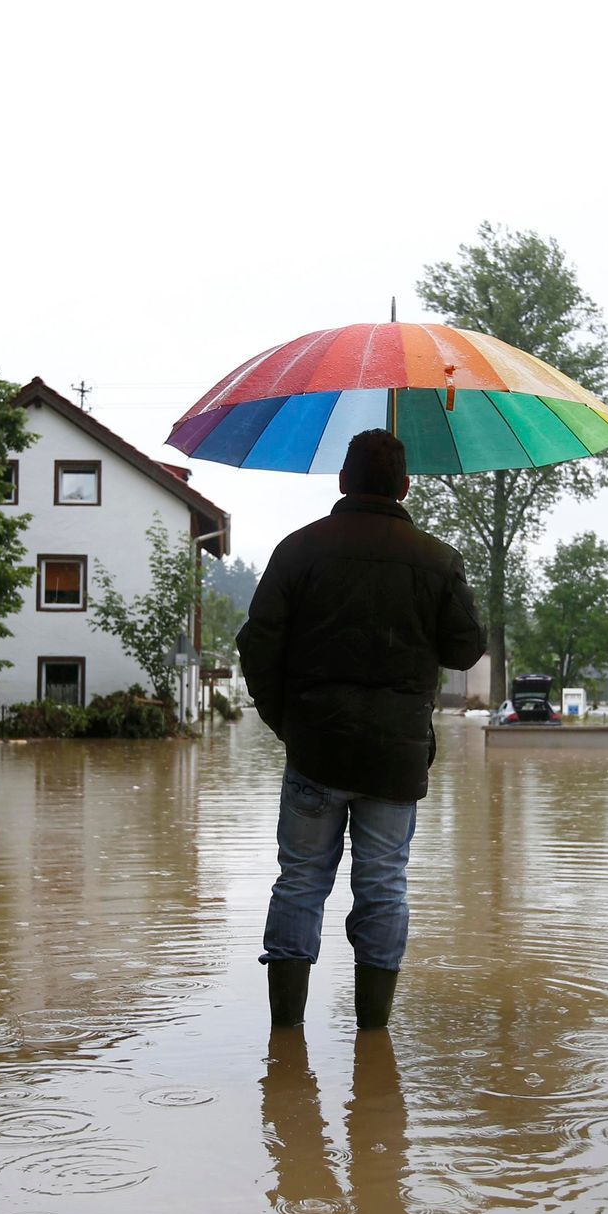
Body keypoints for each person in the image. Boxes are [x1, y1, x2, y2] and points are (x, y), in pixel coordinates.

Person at [237, 429, 486, 1030]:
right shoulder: (436, 558)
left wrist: (286, 723)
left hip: (315, 747)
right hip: (394, 759)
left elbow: (256, 645)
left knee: (299, 880)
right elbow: (466, 649)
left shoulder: (298, 550)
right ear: (404, 486)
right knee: (384, 882)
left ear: (343, 481)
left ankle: (286, 1034)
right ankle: (373, 1034)